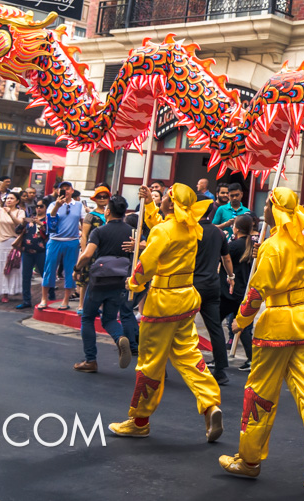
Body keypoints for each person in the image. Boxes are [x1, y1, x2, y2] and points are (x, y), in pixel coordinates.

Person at [218, 188, 304, 489]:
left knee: (260, 393)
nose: (265, 209)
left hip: (277, 326)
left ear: (275, 209)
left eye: (268, 204)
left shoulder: (273, 246)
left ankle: (249, 459)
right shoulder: (302, 244)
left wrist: (240, 321)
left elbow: (256, 292)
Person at [109, 183, 222, 441]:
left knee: (150, 363)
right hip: (186, 299)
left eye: (164, 197)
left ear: (170, 203)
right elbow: (160, 223)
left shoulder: (165, 231)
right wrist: (149, 202)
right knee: (188, 354)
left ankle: (139, 420)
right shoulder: (190, 228)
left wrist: (133, 283)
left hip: (162, 303)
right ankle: (210, 404)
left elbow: (146, 262)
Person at [73, 195, 137, 372]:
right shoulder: (131, 231)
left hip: (99, 280)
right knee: (109, 318)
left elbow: (87, 254)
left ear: (108, 211)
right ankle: (119, 337)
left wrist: (77, 269)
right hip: (120, 279)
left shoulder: (99, 231)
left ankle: (90, 360)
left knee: (87, 317)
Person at [193, 194, 232, 387]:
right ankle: (221, 370)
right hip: (212, 284)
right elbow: (226, 258)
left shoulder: (191, 230)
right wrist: (231, 277)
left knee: (177, 327)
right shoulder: (218, 233)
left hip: (191, 284)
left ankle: (170, 367)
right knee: (215, 327)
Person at [221, 213, 257, 369]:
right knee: (243, 326)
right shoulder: (251, 245)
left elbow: (223, 259)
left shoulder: (234, 246)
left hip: (232, 290)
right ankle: (251, 358)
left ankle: (219, 357)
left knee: (216, 322)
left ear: (236, 228)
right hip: (244, 290)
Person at [40, 181, 83, 310]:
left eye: (67, 189)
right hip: (55, 240)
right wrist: (57, 206)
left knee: (70, 270)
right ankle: (44, 298)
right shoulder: (53, 204)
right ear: (58, 191)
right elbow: (50, 222)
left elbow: (83, 222)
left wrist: (83, 236)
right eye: (62, 189)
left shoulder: (79, 205)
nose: (65, 191)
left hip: (72, 240)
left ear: (72, 190)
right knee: (49, 268)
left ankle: (65, 299)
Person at [16, 200, 49, 309]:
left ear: (45, 208)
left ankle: (50, 297)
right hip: (27, 252)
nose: (38, 208)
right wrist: (23, 223)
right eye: (37, 206)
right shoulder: (30, 218)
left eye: (41, 206)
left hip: (41, 252)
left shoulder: (48, 220)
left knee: (45, 275)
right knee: (26, 276)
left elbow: (51, 232)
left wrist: (42, 225)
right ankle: (26, 300)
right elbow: (17, 230)